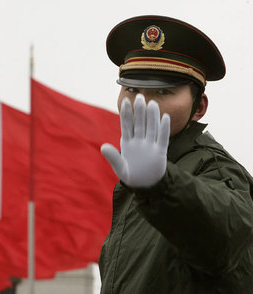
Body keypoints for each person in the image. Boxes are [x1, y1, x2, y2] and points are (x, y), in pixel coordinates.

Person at [99, 15, 253, 293]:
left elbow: (227, 235)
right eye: (131, 89)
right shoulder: (139, 177)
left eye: (161, 92)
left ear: (199, 107)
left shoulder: (213, 168)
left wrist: (160, 185)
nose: (142, 102)